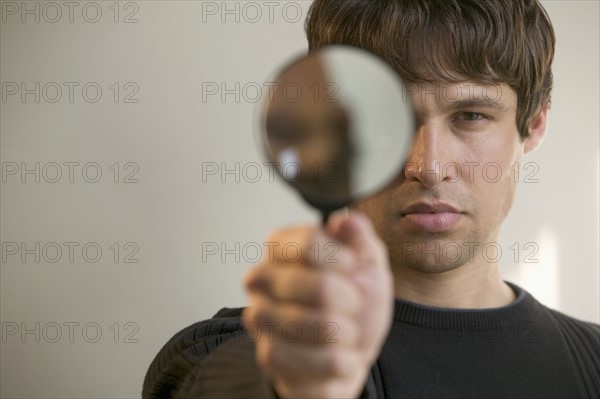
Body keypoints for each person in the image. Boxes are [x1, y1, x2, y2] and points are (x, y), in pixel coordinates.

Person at [143, 1, 600, 398]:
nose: (428, 164)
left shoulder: (594, 363)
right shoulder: (233, 350)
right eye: (388, 115)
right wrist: (287, 385)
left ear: (534, 124)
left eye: (471, 115)